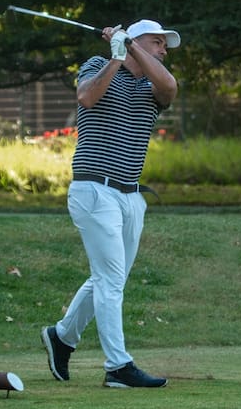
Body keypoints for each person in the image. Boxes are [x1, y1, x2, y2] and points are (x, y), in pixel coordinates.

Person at [41, 19, 181, 388]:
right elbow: (86, 97)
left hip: (131, 196)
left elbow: (171, 88)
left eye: (164, 46)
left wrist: (131, 47)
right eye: (157, 43)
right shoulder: (95, 65)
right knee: (110, 279)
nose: (164, 50)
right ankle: (117, 366)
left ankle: (62, 336)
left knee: (109, 278)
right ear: (136, 39)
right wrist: (117, 56)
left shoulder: (154, 86)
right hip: (93, 190)